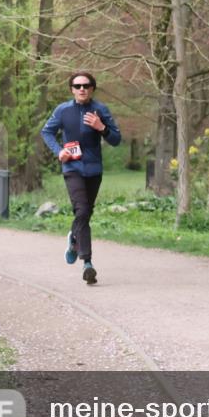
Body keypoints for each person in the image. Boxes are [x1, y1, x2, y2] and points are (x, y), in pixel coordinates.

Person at [41, 72, 122, 285]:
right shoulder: (63, 110)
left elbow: (116, 140)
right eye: (77, 86)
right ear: (72, 90)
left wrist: (101, 127)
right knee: (82, 210)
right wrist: (59, 151)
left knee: (86, 213)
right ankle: (87, 263)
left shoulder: (101, 110)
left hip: (94, 170)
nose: (82, 89)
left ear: (92, 88)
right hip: (72, 168)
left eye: (86, 85)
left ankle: (74, 239)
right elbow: (46, 132)